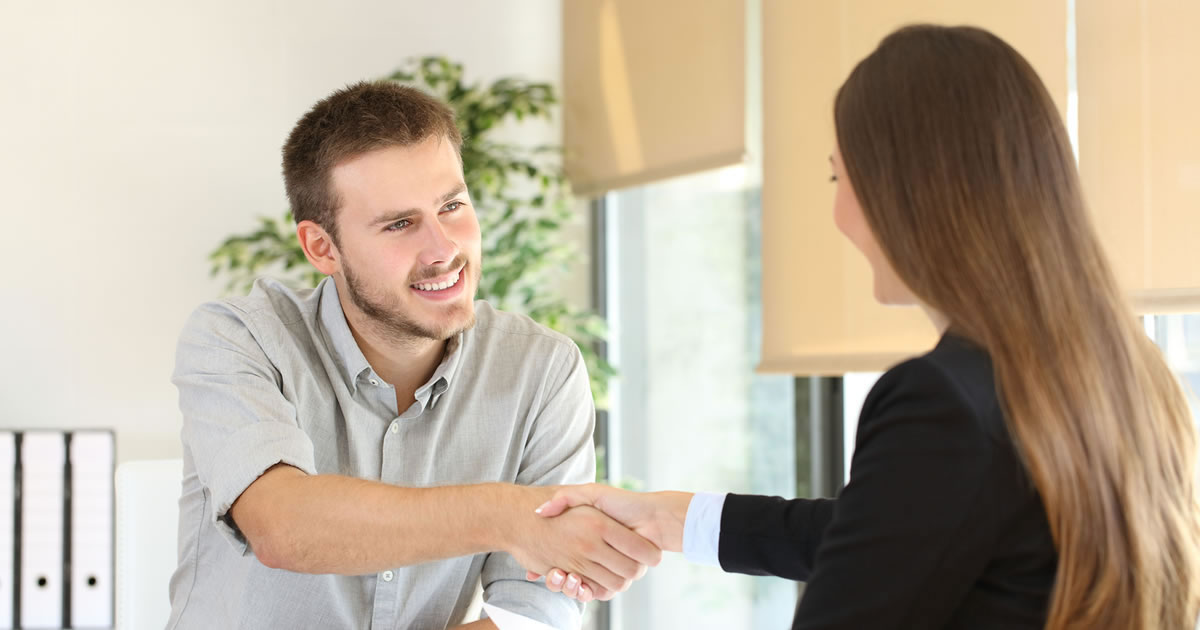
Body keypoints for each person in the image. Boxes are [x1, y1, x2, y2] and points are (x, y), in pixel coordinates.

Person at [531, 24, 1200, 629]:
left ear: (905, 191)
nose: (839, 214)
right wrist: (667, 518)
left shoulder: (943, 401)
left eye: (836, 178)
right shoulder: (1122, 370)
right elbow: (906, 534)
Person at [167, 81, 659, 629]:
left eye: (452, 206)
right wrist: (508, 515)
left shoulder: (542, 369)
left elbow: (534, 614)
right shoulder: (239, 339)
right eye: (399, 224)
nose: (445, 249)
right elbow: (284, 526)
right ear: (322, 248)